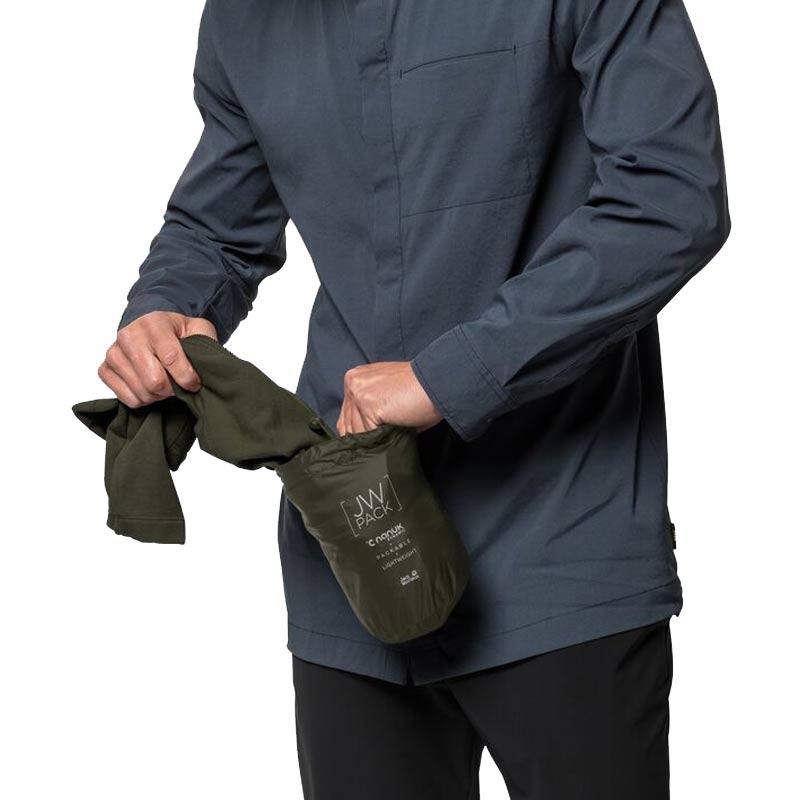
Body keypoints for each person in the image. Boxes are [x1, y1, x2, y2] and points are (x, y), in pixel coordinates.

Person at [98, 1, 729, 797]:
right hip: (348, 552)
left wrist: (450, 374)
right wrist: (166, 305)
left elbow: (670, 199)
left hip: (560, 541)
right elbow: (216, 228)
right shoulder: (241, 19)